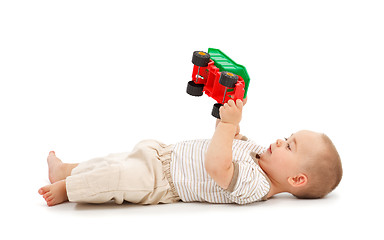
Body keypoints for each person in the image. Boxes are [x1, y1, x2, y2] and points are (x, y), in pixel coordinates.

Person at [38, 99, 342, 206]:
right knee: (113, 162)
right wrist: (227, 120)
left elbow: (217, 167)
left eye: (290, 145)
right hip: (164, 154)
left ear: (297, 179)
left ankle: (69, 189)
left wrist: (227, 127)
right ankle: (68, 169)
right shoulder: (259, 155)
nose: (280, 140)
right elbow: (222, 143)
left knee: (115, 178)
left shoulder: (256, 185)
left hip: (163, 182)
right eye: (287, 136)